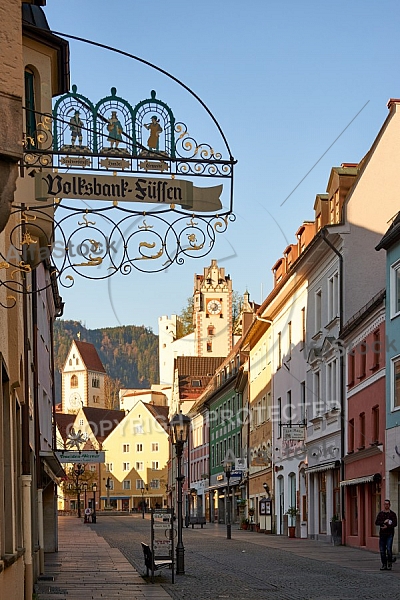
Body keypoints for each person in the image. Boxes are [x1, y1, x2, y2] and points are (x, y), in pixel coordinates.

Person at [375, 498, 397, 570]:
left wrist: (387, 526)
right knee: (382, 550)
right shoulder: (381, 514)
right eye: (385, 504)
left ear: (389, 505)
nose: (386, 505)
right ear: (383, 505)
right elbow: (376, 522)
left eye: (387, 504)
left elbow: (395, 523)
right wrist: (383, 522)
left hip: (389, 534)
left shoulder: (392, 514)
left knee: (389, 549)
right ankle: (384, 564)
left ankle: (389, 562)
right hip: (382, 534)